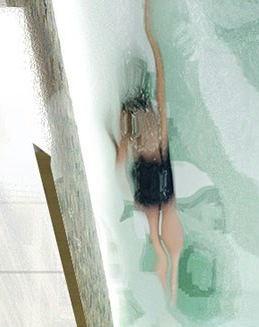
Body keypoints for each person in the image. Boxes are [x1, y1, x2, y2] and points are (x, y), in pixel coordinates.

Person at [115, 0, 184, 302]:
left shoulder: (135, 126)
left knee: (158, 242)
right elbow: (160, 79)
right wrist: (150, 32)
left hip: (153, 182)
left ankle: (169, 285)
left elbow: (122, 154)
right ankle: (170, 285)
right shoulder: (153, 132)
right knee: (160, 242)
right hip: (155, 178)